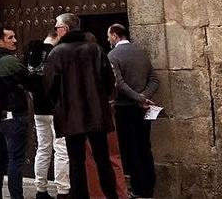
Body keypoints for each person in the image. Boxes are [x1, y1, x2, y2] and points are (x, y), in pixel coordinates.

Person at [43, 14, 118, 199]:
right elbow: (109, 81)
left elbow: (49, 86)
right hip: (97, 113)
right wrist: (99, 99)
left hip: (70, 115)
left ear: (66, 29)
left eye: (57, 27)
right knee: (103, 160)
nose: (56, 30)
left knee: (76, 161)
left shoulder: (57, 53)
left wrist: (60, 104)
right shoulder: (96, 50)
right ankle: (111, 196)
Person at [107, 24, 158, 199]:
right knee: (145, 146)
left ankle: (137, 189)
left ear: (114, 35)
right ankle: (148, 187)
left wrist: (138, 98)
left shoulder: (113, 55)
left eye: (109, 36)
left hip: (125, 108)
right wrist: (144, 97)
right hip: (143, 108)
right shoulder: (141, 52)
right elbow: (154, 80)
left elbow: (118, 83)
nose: (108, 40)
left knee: (130, 148)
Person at [0, 28, 29, 199]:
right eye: (10, 37)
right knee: (15, 160)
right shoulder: (8, 61)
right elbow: (29, 80)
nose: (14, 40)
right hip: (13, 117)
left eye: (15, 36)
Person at [25, 37, 69, 199]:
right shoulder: (55, 53)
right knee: (61, 149)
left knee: (43, 149)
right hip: (55, 109)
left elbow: (28, 84)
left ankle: (41, 189)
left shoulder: (32, 53)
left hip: (39, 109)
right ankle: (63, 190)